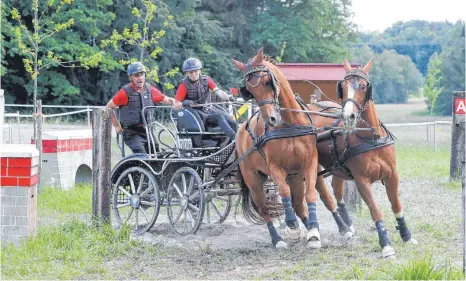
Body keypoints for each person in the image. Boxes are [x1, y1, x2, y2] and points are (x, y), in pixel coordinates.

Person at [106, 62, 179, 154]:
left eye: (142, 75)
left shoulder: (150, 90)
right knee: (141, 154)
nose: (140, 78)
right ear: (131, 77)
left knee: (156, 154)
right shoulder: (124, 93)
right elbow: (108, 107)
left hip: (147, 131)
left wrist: (176, 102)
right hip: (131, 132)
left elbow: (167, 99)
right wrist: (116, 126)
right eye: (136, 75)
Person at [173, 57, 237, 147]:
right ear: (186, 73)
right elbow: (175, 106)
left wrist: (228, 97)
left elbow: (219, 92)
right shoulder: (183, 85)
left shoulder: (206, 80)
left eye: (196, 71)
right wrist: (184, 103)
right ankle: (235, 138)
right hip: (195, 113)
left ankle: (242, 136)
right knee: (219, 116)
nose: (194, 74)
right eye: (191, 72)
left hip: (206, 109)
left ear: (200, 70)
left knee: (228, 118)